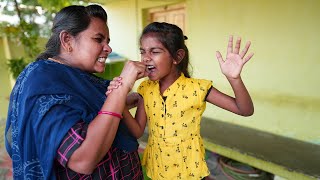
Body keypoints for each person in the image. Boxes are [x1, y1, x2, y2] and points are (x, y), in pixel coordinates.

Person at [5, 4, 146, 180]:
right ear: (67, 40)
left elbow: (89, 111)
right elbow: (82, 159)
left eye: (107, 42)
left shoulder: (80, 78)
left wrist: (125, 101)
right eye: (98, 39)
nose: (108, 48)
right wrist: (122, 86)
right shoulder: (44, 85)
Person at [107, 22, 254, 179]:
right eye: (143, 52)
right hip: (159, 169)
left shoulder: (198, 88)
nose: (145, 59)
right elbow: (137, 131)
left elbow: (244, 110)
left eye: (154, 52)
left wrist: (234, 78)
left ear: (177, 57)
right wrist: (119, 101)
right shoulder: (145, 88)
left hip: (189, 171)